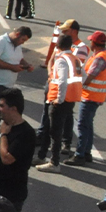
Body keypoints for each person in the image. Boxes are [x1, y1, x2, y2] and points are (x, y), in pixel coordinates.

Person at [0, 89, 36, 212]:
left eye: (2, 106)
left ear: (13, 109)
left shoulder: (26, 133)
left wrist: (3, 135)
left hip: (9, 195)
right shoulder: (4, 126)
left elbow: (7, 158)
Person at [0, 27, 34, 154]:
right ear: (17, 34)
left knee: (3, 114)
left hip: (8, 85)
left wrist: (26, 65)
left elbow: (19, 59)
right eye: (23, 39)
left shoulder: (17, 45)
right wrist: (12, 68)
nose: (23, 42)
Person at [38, 20, 87, 156]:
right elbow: (51, 61)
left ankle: (61, 148)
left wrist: (63, 95)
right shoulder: (63, 43)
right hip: (54, 86)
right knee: (48, 115)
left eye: (66, 30)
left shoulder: (81, 48)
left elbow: (75, 74)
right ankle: (43, 139)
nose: (63, 32)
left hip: (64, 92)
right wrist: (50, 73)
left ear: (74, 31)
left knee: (60, 122)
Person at [35, 35, 82, 173]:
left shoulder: (61, 60)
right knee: (50, 128)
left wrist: (59, 99)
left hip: (58, 101)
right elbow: (82, 77)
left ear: (57, 47)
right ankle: (42, 156)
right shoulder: (75, 59)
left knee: (54, 132)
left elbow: (62, 81)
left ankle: (54, 163)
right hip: (70, 100)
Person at [66, 31, 106, 166]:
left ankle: (80, 155)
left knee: (83, 126)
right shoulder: (99, 55)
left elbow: (88, 79)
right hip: (92, 96)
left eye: (91, 40)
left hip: (91, 97)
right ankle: (86, 153)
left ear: (94, 43)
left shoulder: (100, 58)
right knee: (88, 125)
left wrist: (73, 81)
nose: (89, 42)